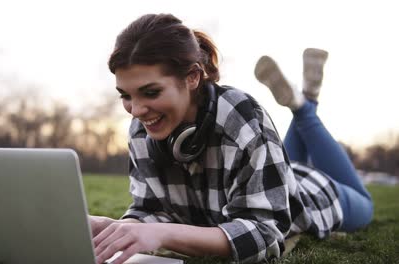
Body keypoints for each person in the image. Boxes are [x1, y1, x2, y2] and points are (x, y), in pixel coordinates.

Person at [90, 13, 373, 264]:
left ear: (192, 77)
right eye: (126, 95)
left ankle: (304, 107)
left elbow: (265, 233)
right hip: (276, 177)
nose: (136, 111)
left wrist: (163, 233)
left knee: (365, 203)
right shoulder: (143, 128)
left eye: (151, 92)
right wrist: (113, 227)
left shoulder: (239, 114)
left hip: (317, 195)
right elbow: (151, 211)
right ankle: (304, 100)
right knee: (289, 162)